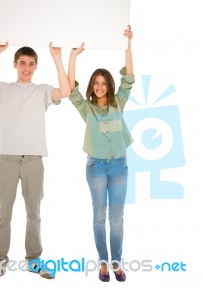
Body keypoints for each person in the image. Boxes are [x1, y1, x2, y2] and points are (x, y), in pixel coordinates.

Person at [0, 41, 71, 286]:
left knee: (34, 214)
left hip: (34, 159)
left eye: (31, 64)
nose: (26, 68)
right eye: (22, 63)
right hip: (7, 160)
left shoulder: (43, 91)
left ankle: (34, 260)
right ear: (15, 65)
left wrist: (57, 57)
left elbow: (65, 91)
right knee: (3, 214)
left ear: (36, 67)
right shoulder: (1, 89)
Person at [68, 26, 134, 282]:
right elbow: (70, 90)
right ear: (91, 86)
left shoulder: (119, 102)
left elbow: (129, 77)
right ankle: (103, 263)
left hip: (118, 166)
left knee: (116, 221)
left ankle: (117, 264)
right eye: (96, 83)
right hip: (96, 167)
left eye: (103, 83)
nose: (99, 87)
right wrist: (73, 56)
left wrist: (128, 44)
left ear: (109, 85)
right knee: (99, 216)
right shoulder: (87, 109)